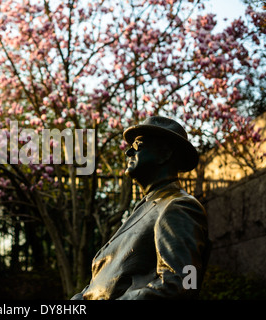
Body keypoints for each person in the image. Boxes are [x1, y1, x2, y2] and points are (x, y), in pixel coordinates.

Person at [71, 116, 210, 300]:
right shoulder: (147, 207)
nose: (129, 152)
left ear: (165, 153)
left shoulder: (178, 206)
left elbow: (183, 284)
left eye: (138, 146)